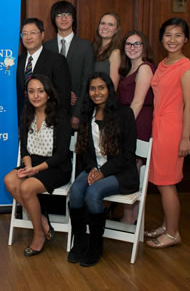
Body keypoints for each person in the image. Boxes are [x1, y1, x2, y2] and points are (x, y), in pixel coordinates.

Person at [67, 72, 138, 267]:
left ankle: (95, 246)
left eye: (101, 88)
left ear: (109, 89)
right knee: (75, 191)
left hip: (121, 173)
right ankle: (80, 241)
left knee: (93, 192)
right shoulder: (86, 114)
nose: (96, 92)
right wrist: (92, 169)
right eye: (92, 88)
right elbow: (84, 150)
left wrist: (103, 172)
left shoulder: (125, 114)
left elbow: (128, 155)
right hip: (94, 168)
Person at [4, 74, 72, 256]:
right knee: (9, 180)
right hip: (32, 163)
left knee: (26, 188)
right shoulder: (27, 115)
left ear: (49, 94)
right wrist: (27, 168)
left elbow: (62, 154)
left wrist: (36, 170)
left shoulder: (61, 116)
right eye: (31, 91)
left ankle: (38, 235)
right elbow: (25, 149)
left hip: (56, 167)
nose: (36, 95)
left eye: (40, 91)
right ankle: (42, 219)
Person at [145, 18, 190, 249]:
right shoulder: (164, 63)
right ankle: (167, 226)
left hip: (172, 129)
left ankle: (174, 233)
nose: (172, 40)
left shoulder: (186, 67)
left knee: (167, 183)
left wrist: (185, 137)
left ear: (185, 39)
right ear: (161, 38)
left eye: (178, 35)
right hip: (159, 126)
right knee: (162, 181)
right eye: (168, 35)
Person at [117, 30, 155, 224]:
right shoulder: (128, 69)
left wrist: (125, 129)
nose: (132, 48)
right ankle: (129, 215)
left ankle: (132, 218)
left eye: (137, 44)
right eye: (129, 44)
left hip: (137, 122)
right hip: (128, 118)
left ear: (144, 47)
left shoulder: (144, 68)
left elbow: (138, 102)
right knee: (130, 167)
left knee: (134, 168)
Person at [44, 0, 94, 129]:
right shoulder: (47, 47)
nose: (64, 18)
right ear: (54, 20)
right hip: (50, 111)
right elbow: (44, 79)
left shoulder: (85, 46)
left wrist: (77, 112)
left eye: (67, 14)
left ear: (73, 18)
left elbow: (87, 80)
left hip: (76, 109)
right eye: (59, 15)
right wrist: (63, 95)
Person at [16, 18, 71, 119]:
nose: (28, 37)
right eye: (24, 33)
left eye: (33, 33)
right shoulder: (17, 61)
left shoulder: (57, 60)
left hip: (49, 120)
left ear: (42, 35)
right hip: (23, 120)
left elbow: (63, 96)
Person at [92, 13, 122, 90]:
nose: (105, 27)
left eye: (110, 25)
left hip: (104, 99)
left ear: (116, 30)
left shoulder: (115, 53)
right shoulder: (92, 48)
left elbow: (113, 87)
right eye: (102, 23)